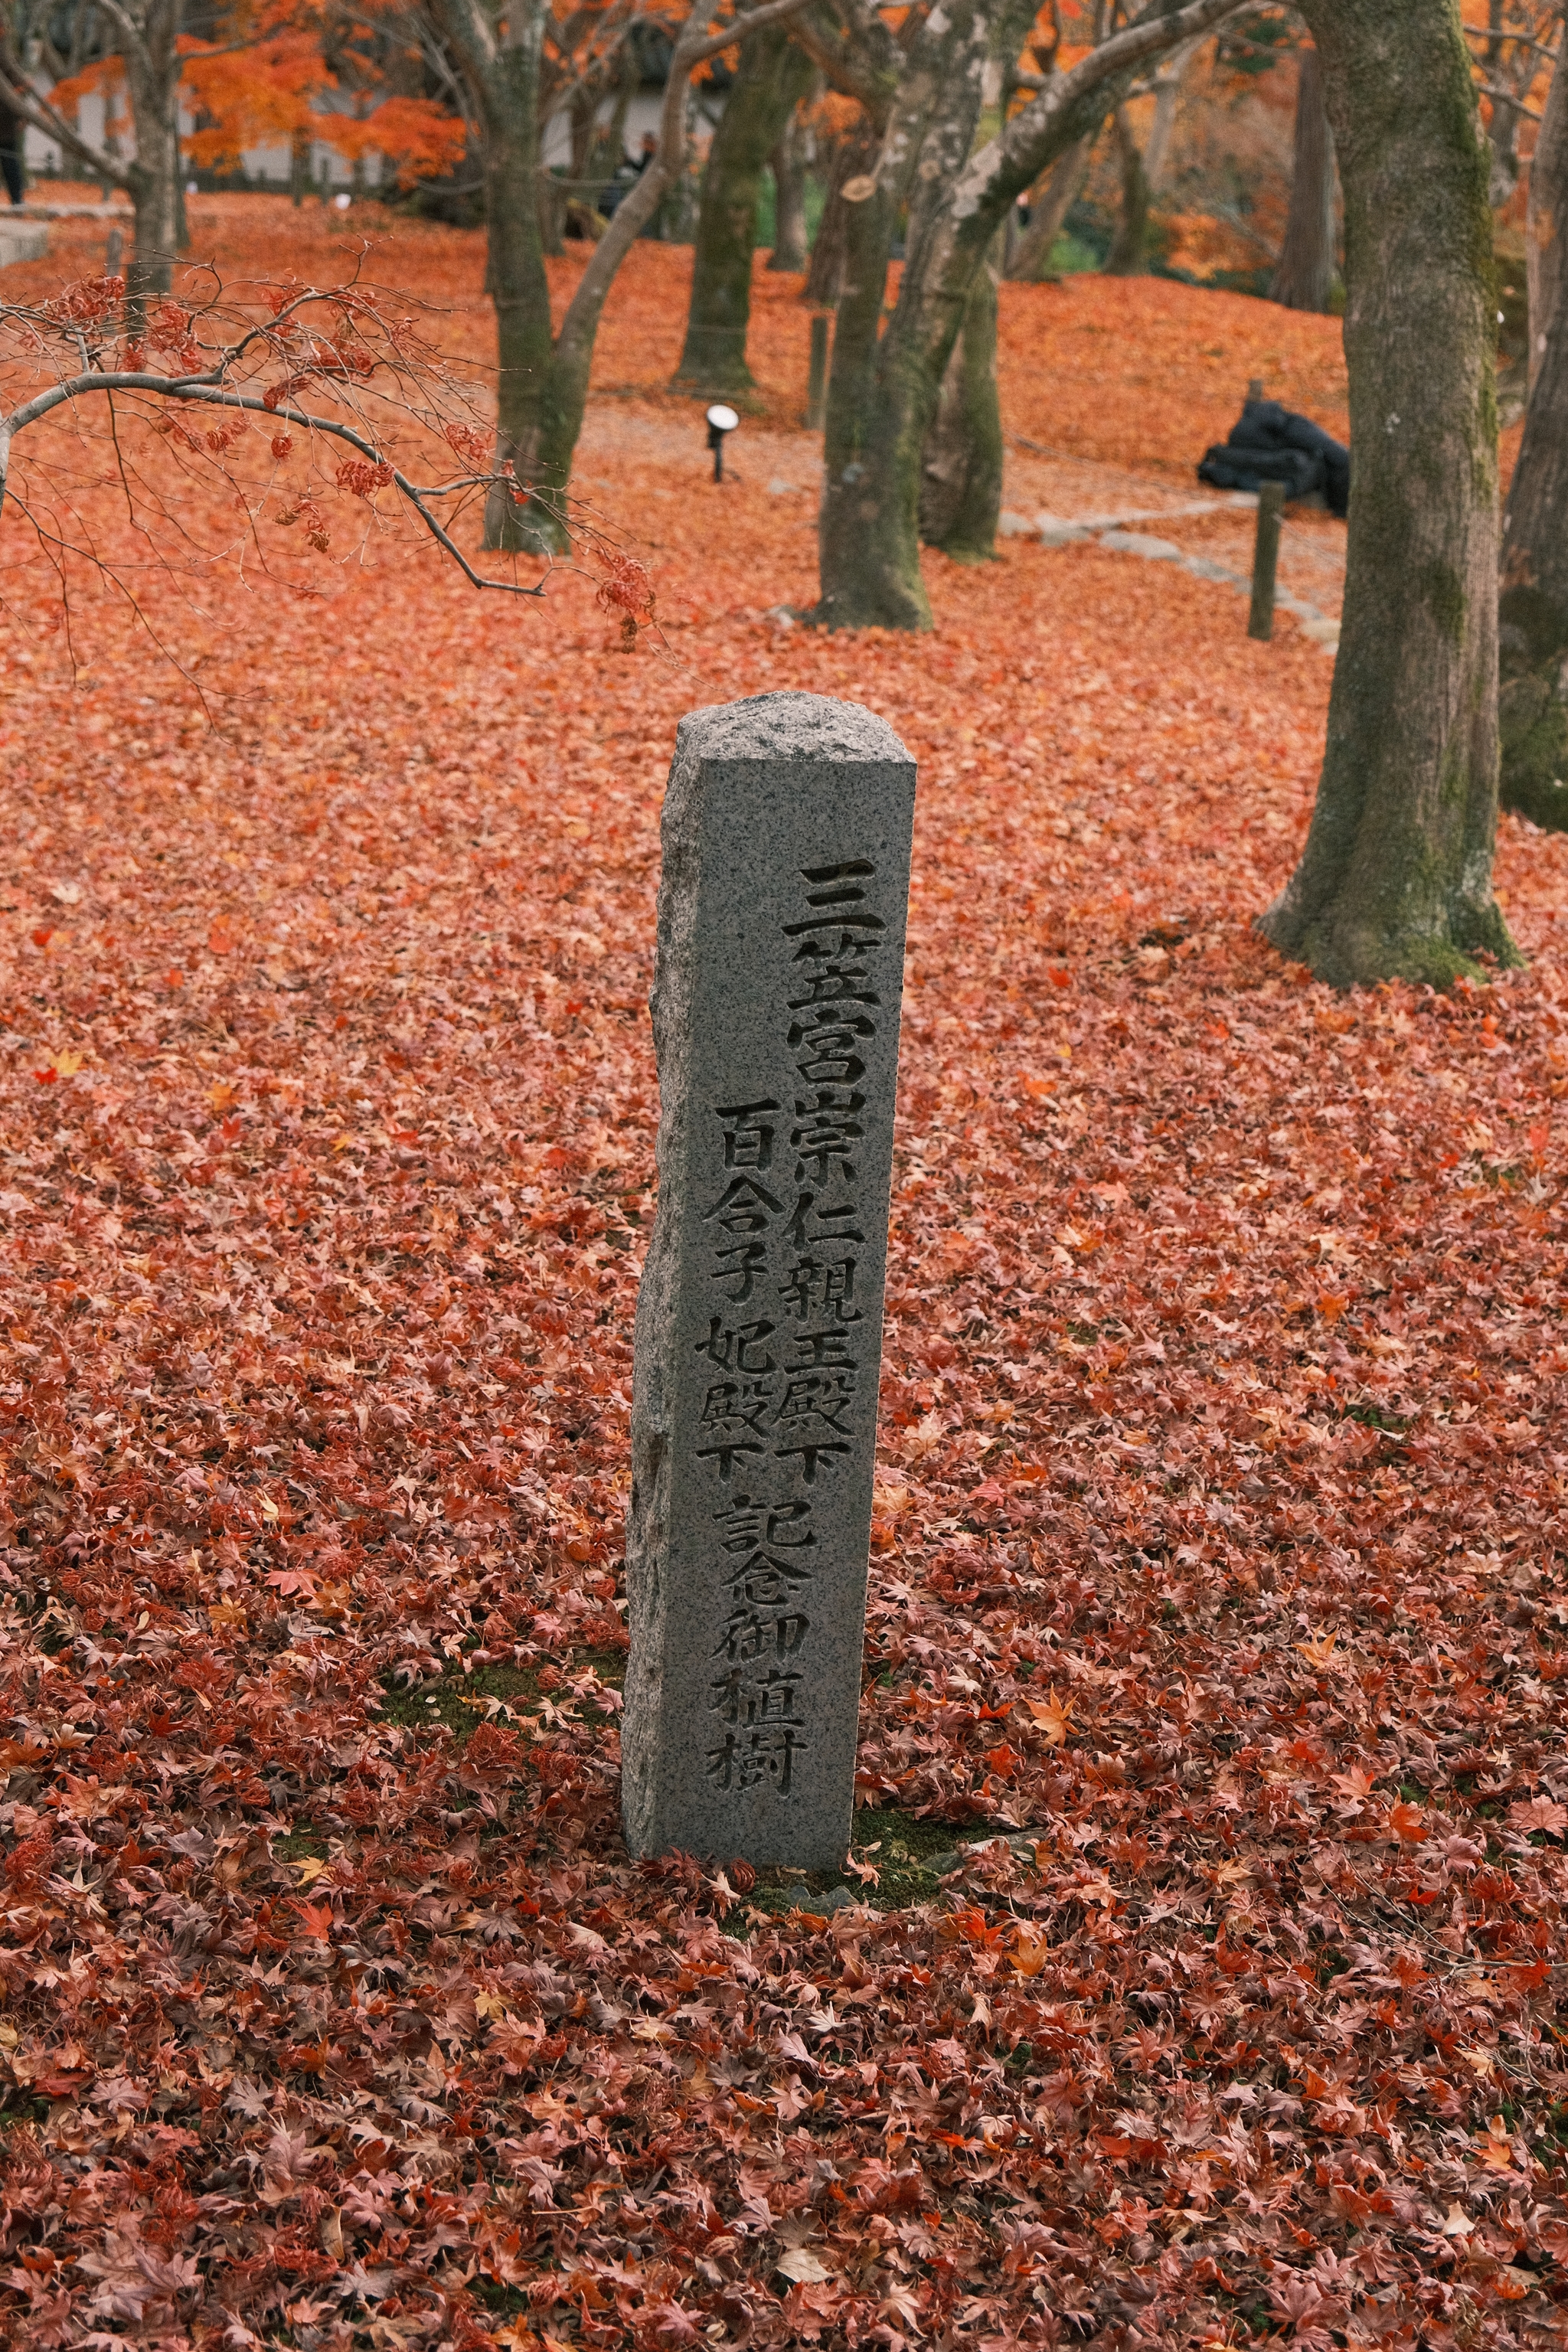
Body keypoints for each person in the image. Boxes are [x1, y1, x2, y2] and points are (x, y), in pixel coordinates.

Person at [0, 90, 24, 207]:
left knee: (10, 165)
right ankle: (17, 200)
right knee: (11, 164)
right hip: (8, 131)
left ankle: (17, 199)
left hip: (7, 132)